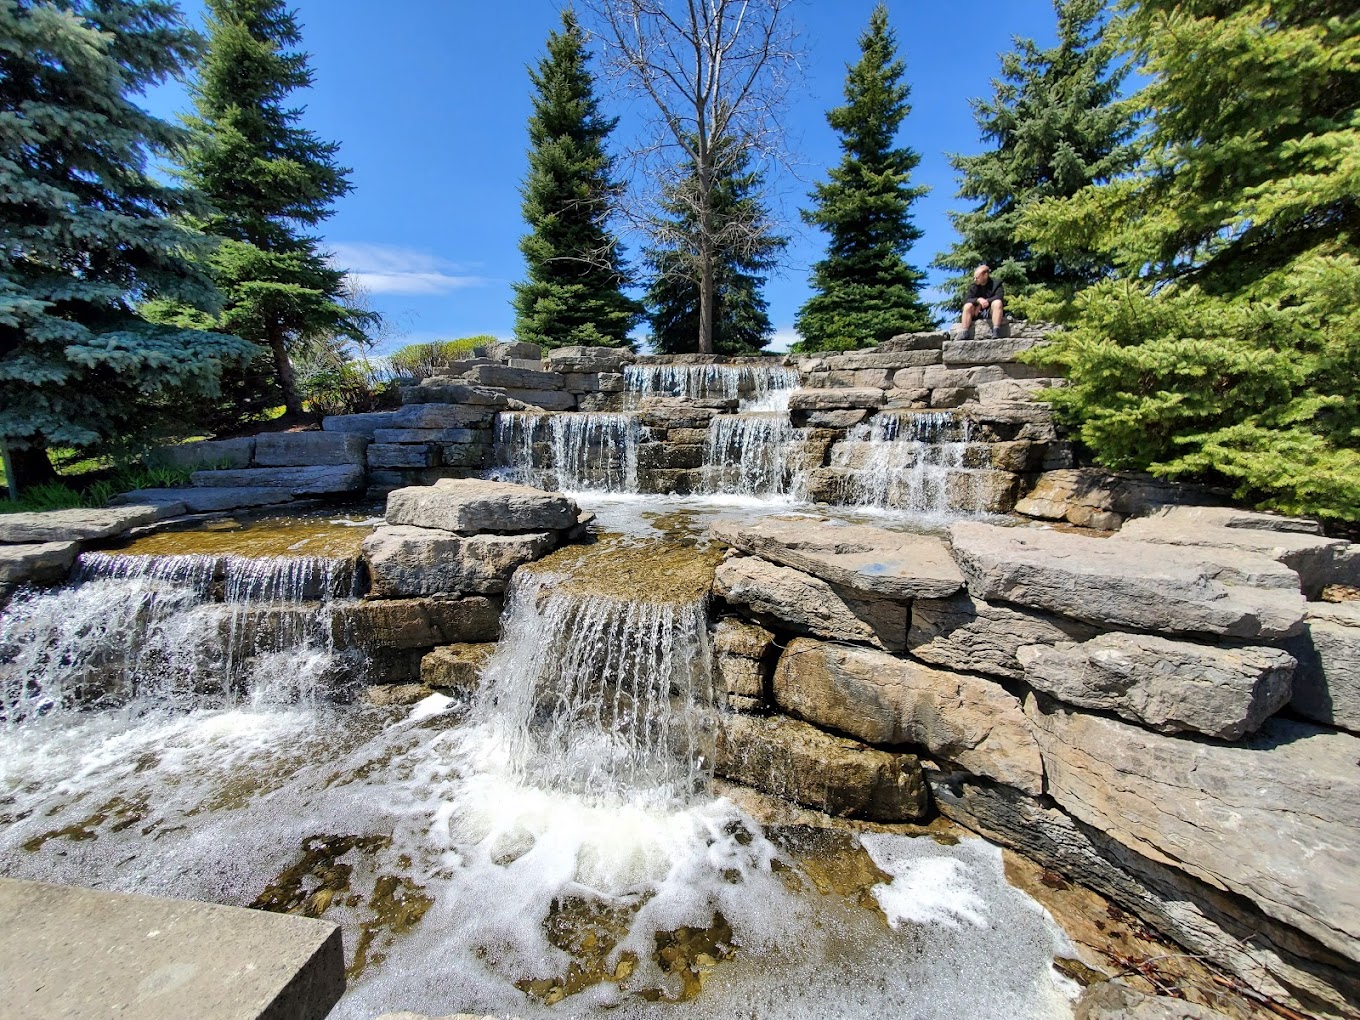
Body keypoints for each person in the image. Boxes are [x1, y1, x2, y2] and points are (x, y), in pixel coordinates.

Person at [960, 264, 1007, 338]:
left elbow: (999, 296)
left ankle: (996, 331)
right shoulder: (973, 286)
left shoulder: (996, 284)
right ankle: (965, 332)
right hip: (976, 312)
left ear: (985, 275)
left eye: (977, 278)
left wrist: (986, 301)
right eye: (974, 278)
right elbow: (966, 299)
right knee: (967, 306)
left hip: (991, 311)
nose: (975, 280)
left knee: (997, 303)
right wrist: (978, 300)